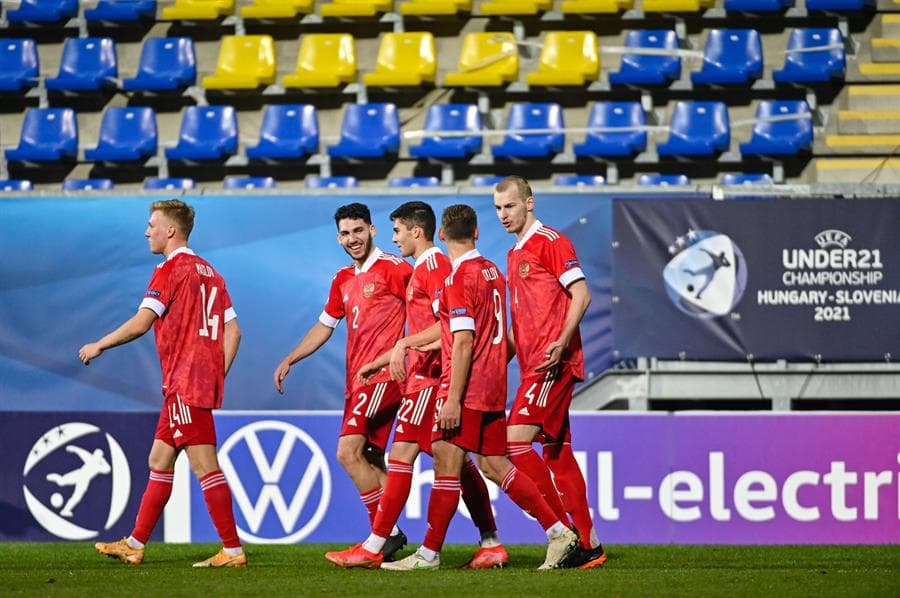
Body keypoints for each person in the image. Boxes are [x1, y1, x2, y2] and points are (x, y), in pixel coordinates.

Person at [382, 204, 578, 571]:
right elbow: (504, 334)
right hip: (493, 383)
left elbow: (462, 341)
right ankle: (558, 531)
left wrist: (453, 398)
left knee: (445, 456)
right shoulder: (492, 272)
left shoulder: (457, 280)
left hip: (468, 386)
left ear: (440, 235)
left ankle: (429, 554)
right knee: (493, 464)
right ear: (476, 232)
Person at [325, 201, 507, 570]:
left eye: (396, 232)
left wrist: (405, 347)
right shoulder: (423, 267)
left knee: (411, 455)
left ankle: (385, 544)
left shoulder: (435, 267)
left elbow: (451, 329)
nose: (393, 240)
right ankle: (488, 540)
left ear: (416, 231)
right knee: (455, 460)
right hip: (423, 375)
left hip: (431, 378)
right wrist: (389, 355)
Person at [80, 199, 245, 568]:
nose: (146, 231)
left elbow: (141, 323)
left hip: (184, 382)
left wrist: (100, 344)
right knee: (159, 458)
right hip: (190, 382)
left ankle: (233, 550)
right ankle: (135, 544)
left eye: (152, 224)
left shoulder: (170, 269)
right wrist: (215, 372)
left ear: (171, 230)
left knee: (205, 466)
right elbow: (234, 331)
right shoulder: (212, 273)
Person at [273, 202, 410, 559]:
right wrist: (292, 357)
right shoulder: (342, 278)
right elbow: (325, 325)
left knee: (346, 452)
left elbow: (427, 309)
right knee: (370, 456)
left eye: (359, 231)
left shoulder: (395, 268)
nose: (353, 239)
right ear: (338, 237)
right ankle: (389, 533)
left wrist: (410, 354)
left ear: (372, 230)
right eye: (346, 233)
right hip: (357, 382)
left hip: (383, 378)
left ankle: (382, 537)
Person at [493, 175, 606, 569]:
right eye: (497, 208)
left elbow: (582, 294)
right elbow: (521, 320)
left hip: (551, 363)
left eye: (509, 206)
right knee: (558, 456)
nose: (503, 214)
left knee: (513, 444)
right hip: (531, 365)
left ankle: (561, 528)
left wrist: (561, 340)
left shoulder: (552, 242)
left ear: (529, 202)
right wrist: (498, 362)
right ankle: (589, 545)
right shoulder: (514, 253)